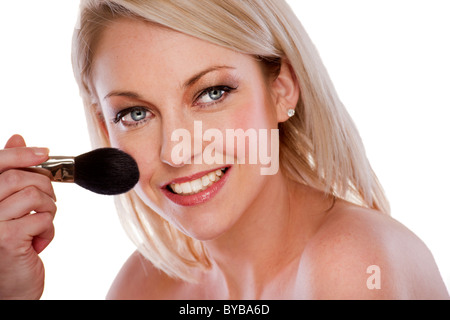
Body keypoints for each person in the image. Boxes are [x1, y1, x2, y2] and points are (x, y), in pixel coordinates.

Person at [0, 0, 448, 300]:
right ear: (105, 128)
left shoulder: (352, 263)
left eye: (211, 93)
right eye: (135, 114)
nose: (177, 150)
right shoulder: (146, 286)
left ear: (282, 89)